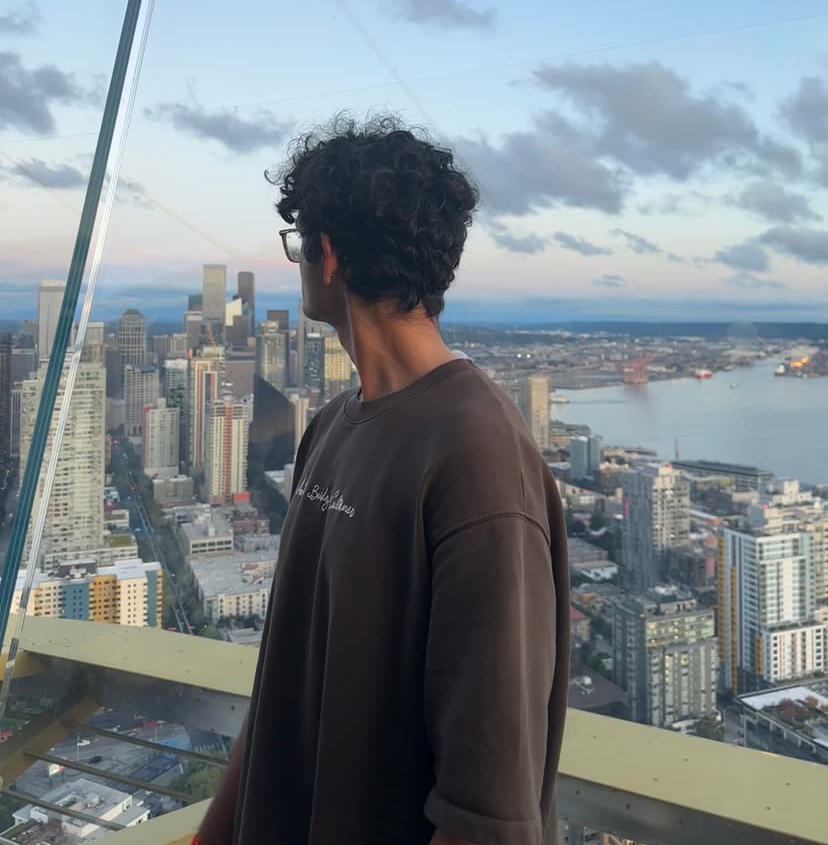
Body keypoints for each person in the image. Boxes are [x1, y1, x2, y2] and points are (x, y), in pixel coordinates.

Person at [195, 117, 569, 845]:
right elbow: (280, 692)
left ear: (328, 255)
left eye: (300, 242)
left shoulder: (479, 462)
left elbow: (488, 818)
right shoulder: (333, 426)